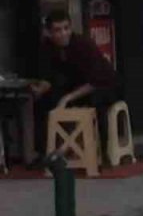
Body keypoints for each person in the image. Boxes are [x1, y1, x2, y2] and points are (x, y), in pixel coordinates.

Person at [31, 10, 120, 153]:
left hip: (101, 86)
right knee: (42, 103)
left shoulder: (83, 45)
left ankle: (102, 152)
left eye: (66, 28)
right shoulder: (47, 48)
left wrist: (67, 98)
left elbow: (94, 81)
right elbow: (49, 77)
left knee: (97, 102)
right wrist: (40, 89)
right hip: (74, 87)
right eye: (58, 30)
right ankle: (46, 152)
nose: (63, 34)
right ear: (48, 32)